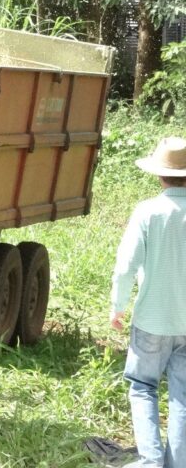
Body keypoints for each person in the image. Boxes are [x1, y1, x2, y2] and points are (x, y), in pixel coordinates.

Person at [110, 136, 186, 468]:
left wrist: (118, 306)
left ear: (159, 175)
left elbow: (126, 265)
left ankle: (151, 461)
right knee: (183, 396)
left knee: (142, 386)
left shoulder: (148, 211)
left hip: (152, 320)